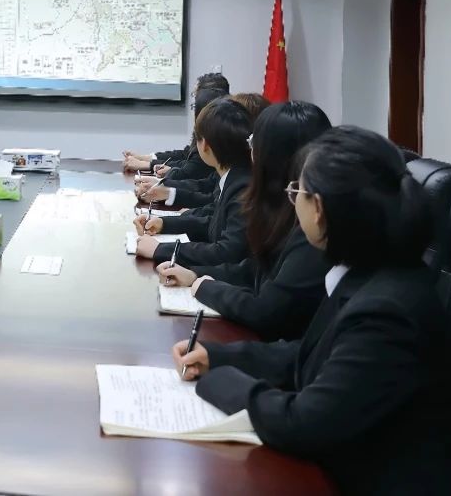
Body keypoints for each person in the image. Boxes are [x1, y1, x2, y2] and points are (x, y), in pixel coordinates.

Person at [173, 126, 451, 495]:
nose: (292, 201)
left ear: (320, 208)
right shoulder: (368, 271)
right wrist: (219, 357)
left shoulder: (386, 310)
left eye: (298, 191)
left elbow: (303, 423)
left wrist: (219, 382)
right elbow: (313, 355)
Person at [157, 101, 332, 340]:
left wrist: (205, 287)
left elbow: (267, 310)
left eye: (253, 142)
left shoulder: (310, 227)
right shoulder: (282, 205)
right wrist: (194, 274)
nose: (249, 151)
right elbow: (257, 270)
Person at [134, 97, 253, 265]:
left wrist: (161, 250)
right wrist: (164, 224)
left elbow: (226, 252)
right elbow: (212, 223)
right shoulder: (234, 176)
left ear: (205, 145)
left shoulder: (242, 187)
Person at [135, 85, 229, 204]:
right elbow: (203, 183)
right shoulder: (223, 171)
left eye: (194, 104)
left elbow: (192, 174)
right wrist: (163, 186)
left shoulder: (237, 180)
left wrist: (150, 165)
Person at [124, 71, 230, 172]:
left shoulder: (216, 133)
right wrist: (145, 158)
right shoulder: (209, 127)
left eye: (195, 96)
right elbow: (186, 154)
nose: (194, 102)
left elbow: (192, 169)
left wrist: (147, 165)